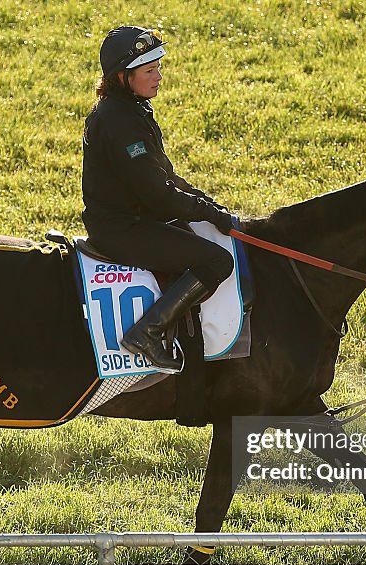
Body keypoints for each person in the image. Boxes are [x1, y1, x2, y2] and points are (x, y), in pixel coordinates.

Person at [82, 26, 239, 373]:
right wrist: (208, 213)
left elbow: (165, 177)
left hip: (134, 220)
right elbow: (159, 195)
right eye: (149, 71)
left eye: (158, 67)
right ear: (124, 77)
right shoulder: (121, 121)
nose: (159, 77)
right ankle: (147, 333)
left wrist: (208, 204)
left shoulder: (130, 110)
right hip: (123, 229)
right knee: (216, 261)